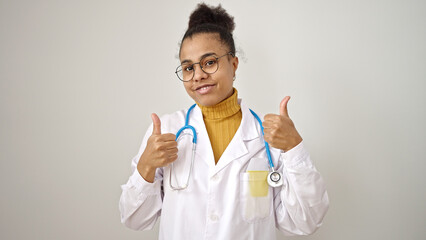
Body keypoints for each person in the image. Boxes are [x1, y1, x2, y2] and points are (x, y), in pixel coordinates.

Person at [119, 3, 329, 240]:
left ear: (234, 64)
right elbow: (134, 219)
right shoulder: (168, 131)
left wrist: (294, 148)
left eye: (209, 62)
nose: (198, 75)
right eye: (188, 68)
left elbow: (304, 222)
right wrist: (146, 166)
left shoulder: (271, 137)